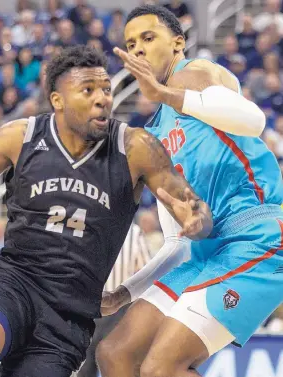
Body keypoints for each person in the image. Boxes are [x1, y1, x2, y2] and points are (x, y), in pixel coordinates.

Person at [0, 46, 212, 377]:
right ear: (58, 100)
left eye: (106, 89)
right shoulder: (20, 136)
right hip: (15, 281)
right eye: (88, 91)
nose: (102, 98)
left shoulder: (135, 148)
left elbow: (197, 213)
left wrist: (196, 218)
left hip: (69, 312)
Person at [97, 5, 283, 377]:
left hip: (257, 237)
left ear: (178, 42)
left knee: (161, 368)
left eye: (148, 38)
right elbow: (176, 243)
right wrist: (126, 293)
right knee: (114, 352)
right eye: (131, 44)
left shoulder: (196, 74)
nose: (138, 50)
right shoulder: (152, 136)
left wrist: (165, 92)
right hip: (203, 254)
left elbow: (254, 120)